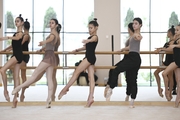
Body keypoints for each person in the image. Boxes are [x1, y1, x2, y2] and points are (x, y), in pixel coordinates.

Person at [12, 18, 61, 108]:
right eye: (50, 23)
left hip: (48, 57)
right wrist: (42, 48)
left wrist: (44, 42)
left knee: (34, 75)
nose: (50, 24)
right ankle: (49, 99)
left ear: (56, 25)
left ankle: (18, 88)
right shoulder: (56, 34)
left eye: (52, 23)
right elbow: (50, 45)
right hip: (51, 56)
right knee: (49, 78)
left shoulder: (53, 34)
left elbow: (51, 39)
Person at [58, 18, 99, 107]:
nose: (89, 30)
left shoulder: (95, 37)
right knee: (91, 77)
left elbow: (93, 40)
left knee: (76, 72)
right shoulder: (90, 37)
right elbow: (86, 48)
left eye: (91, 28)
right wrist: (77, 50)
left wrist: (87, 40)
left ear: (96, 28)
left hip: (89, 58)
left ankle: (65, 89)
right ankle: (90, 98)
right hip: (91, 58)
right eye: (89, 28)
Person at [104, 18, 143, 108]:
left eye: (136, 23)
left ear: (140, 25)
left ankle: (130, 100)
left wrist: (138, 36)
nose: (134, 25)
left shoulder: (137, 35)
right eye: (133, 23)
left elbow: (139, 37)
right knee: (122, 73)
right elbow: (130, 46)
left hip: (134, 58)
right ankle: (114, 89)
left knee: (131, 79)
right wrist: (122, 49)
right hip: (132, 57)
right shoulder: (133, 35)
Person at [105, 22, 134, 102]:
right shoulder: (130, 38)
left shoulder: (134, 37)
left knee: (129, 77)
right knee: (113, 69)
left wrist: (122, 49)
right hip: (126, 58)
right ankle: (110, 86)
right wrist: (122, 51)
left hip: (130, 59)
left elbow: (131, 48)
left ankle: (127, 94)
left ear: (129, 29)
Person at [0, 14, 24, 108]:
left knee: (2, 70)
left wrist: (6, 38)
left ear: (22, 23)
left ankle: (5, 91)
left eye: (18, 21)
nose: (16, 23)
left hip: (17, 56)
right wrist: (5, 50)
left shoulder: (21, 33)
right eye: (15, 21)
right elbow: (13, 46)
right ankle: (15, 99)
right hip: (16, 55)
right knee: (16, 77)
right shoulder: (15, 33)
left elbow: (17, 38)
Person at [160, 24, 180, 107]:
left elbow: (175, 46)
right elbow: (170, 48)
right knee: (178, 81)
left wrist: (174, 45)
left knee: (164, 73)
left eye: (178, 30)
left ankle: (167, 91)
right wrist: (162, 49)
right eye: (175, 30)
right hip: (177, 61)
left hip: (177, 61)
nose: (176, 31)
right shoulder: (177, 38)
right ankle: (177, 99)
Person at [154, 26, 176, 99]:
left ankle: (169, 92)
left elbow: (169, 50)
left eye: (167, 32)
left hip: (171, 61)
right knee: (156, 72)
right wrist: (159, 50)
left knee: (170, 77)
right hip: (166, 62)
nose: (167, 33)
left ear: (170, 33)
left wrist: (161, 49)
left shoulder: (173, 42)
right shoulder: (168, 42)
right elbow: (164, 50)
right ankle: (159, 88)